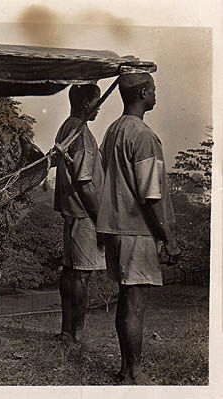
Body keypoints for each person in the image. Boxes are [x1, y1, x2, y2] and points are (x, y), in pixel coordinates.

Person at [97, 72, 180, 384]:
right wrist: (168, 238)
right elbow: (151, 195)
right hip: (135, 229)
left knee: (126, 300)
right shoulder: (142, 135)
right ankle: (134, 372)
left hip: (115, 228)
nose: (156, 94)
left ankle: (126, 368)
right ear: (144, 92)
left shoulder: (113, 130)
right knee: (135, 305)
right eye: (154, 89)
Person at [52, 84, 106, 345]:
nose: (99, 107)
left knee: (70, 271)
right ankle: (77, 334)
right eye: (96, 102)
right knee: (81, 274)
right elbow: (84, 181)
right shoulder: (80, 133)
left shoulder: (66, 127)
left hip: (70, 211)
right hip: (84, 213)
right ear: (86, 103)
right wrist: (100, 219)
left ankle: (67, 331)